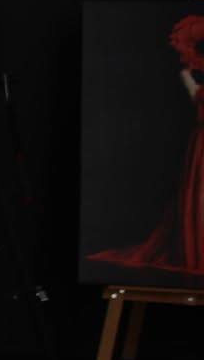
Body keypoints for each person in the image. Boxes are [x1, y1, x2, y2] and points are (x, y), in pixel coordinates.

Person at [86, 15, 204, 276]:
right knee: (200, 197)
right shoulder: (189, 76)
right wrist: (192, 60)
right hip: (202, 146)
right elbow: (188, 79)